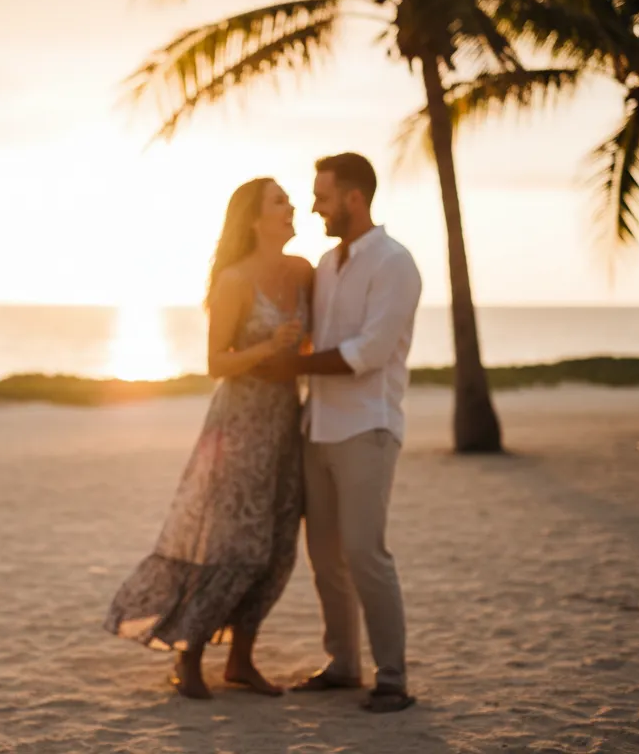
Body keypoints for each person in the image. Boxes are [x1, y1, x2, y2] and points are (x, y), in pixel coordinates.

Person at [105, 177, 312, 700]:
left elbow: (310, 343)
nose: (291, 206)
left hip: (287, 422)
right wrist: (268, 346)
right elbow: (216, 362)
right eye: (279, 201)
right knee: (231, 544)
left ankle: (241, 659)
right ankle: (189, 655)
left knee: (278, 546)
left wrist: (297, 349)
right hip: (240, 425)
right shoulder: (234, 281)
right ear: (254, 219)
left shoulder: (302, 271)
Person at [264, 153, 421, 713]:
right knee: (325, 556)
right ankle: (344, 664)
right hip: (319, 427)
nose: (314, 208)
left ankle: (393, 678)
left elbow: (369, 352)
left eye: (323, 197)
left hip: (367, 427)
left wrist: (292, 366)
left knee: (364, 552)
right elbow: (317, 338)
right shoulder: (327, 264)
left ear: (354, 198)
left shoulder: (395, 263)